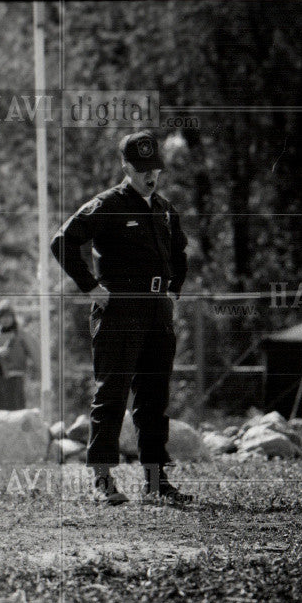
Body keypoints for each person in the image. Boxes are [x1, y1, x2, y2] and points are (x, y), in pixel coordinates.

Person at [51, 131, 191, 506]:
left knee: (153, 397)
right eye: (142, 169)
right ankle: (102, 479)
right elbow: (62, 241)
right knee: (111, 394)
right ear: (126, 167)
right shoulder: (108, 205)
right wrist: (90, 287)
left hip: (157, 312)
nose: (151, 176)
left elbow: (180, 254)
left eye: (154, 169)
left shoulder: (163, 208)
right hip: (118, 312)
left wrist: (173, 292)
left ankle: (155, 480)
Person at [0, 299, 34, 415]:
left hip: (15, 379)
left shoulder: (21, 335)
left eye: (9, 316)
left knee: (15, 411)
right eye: (3, 316)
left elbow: (33, 353)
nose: (6, 319)